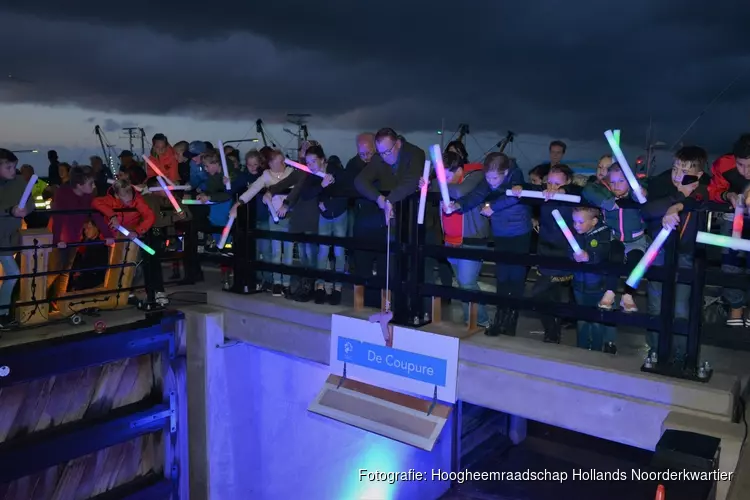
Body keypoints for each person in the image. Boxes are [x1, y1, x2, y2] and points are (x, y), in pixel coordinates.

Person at [451, 152, 529, 334]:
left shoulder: (516, 175)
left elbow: (514, 196)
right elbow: (477, 195)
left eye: (495, 178)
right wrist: (458, 205)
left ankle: (510, 323)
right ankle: (499, 319)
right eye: (488, 177)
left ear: (506, 171)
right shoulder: (488, 180)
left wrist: (492, 207)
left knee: (515, 279)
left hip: (519, 234)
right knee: (502, 278)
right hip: (500, 233)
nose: (491, 182)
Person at [642, 146, 709, 358]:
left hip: (686, 255)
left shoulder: (703, 186)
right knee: (655, 306)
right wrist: (677, 198)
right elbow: (647, 210)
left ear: (698, 175)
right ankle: (655, 351)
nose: (677, 175)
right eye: (675, 168)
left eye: (685, 171)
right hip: (657, 251)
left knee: (681, 309)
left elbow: (700, 198)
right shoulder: (661, 181)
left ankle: (680, 356)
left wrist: (676, 207)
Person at [354, 128, 425, 308]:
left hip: (413, 219)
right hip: (391, 221)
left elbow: (411, 181)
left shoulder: (415, 153)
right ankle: (387, 306)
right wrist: (379, 198)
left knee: (413, 266)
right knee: (390, 265)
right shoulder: (380, 157)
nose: (384, 157)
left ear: (398, 144)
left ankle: (413, 307)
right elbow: (360, 181)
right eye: (381, 153)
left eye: (387, 151)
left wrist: (389, 201)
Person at [511, 164, 582, 343]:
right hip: (544, 251)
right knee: (548, 295)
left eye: (557, 184)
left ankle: (553, 331)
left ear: (567, 182)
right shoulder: (543, 193)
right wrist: (520, 188)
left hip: (564, 253)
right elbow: (531, 188)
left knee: (541, 292)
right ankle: (553, 331)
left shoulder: (572, 195)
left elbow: (583, 191)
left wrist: (565, 191)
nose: (552, 188)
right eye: (549, 182)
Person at [423, 151, 490, 328]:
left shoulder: (476, 175)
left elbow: (460, 191)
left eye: (447, 176)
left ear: (460, 170)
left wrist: (435, 184)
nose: (444, 180)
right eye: (440, 176)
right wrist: (429, 185)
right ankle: (472, 320)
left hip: (472, 240)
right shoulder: (450, 181)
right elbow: (431, 189)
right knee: (462, 283)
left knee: (467, 282)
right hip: (450, 240)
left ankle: (481, 321)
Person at [582, 163, 649, 312]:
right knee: (614, 257)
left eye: (621, 181)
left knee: (636, 263)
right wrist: (608, 203)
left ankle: (628, 295)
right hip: (615, 238)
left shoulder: (634, 193)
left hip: (636, 240)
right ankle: (610, 292)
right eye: (612, 182)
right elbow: (587, 190)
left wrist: (639, 192)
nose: (616, 185)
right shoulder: (607, 195)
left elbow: (640, 193)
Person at [231, 149, 295, 297]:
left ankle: (287, 283)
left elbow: (298, 190)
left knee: (289, 252)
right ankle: (277, 282)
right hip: (273, 217)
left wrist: (287, 204)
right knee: (275, 251)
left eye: (279, 162)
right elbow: (252, 190)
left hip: (290, 216)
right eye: (272, 163)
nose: (276, 166)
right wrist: (238, 203)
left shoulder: (291, 173)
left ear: (283, 161)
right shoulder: (266, 175)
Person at [707, 134, 750, 327]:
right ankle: (736, 309)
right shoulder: (723, 165)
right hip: (732, 221)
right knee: (730, 266)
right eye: (741, 165)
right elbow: (713, 191)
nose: (745, 172)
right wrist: (727, 195)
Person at [47, 166, 99, 305]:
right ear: (80, 184)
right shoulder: (64, 193)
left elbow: (91, 213)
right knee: (54, 271)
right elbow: (58, 219)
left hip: (73, 238)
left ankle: (59, 301)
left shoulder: (86, 196)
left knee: (65, 271)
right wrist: (57, 239)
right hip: (62, 239)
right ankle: (35, 301)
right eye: (91, 183)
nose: (94, 186)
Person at [571, 206, 617, 353]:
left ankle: (597, 350)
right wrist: (572, 256)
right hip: (579, 285)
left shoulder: (604, 235)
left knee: (597, 320)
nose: (576, 225)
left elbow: (603, 253)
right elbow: (568, 249)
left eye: (580, 222)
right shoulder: (576, 235)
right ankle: (581, 348)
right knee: (582, 319)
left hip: (598, 286)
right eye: (574, 222)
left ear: (594, 221)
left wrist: (589, 256)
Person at [142, 177, 190, 307]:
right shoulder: (149, 199)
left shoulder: (169, 198)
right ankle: (155, 292)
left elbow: (187, 214)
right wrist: (174, 217)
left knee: (154, 263)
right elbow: (155, 221)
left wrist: (176, 203)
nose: (167, 188)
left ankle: (156, 292)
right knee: (152, 263)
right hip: (150, 236)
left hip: (164, 236)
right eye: (162, 185)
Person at [0, 149, 33, 327]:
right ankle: (3, 314)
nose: (13, 170)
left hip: (11, 237)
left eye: (14, 166)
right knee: (13, 274)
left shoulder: (20, 181)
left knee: (10, 274)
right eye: (8, 167)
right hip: (2, 239)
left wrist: (25, 210)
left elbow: (31, 202)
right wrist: (10, 210)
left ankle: (3, 314)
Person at [91, 178, 155, 251]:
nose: (130, 203)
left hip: (131, 239)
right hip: (112, 240)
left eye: (131, 200)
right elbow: (95, 202)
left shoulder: (137, 200)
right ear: (117, 195)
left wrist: (137, 231)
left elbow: (150, 216)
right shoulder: (110, 200)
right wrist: (112, 216)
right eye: (126, 200)